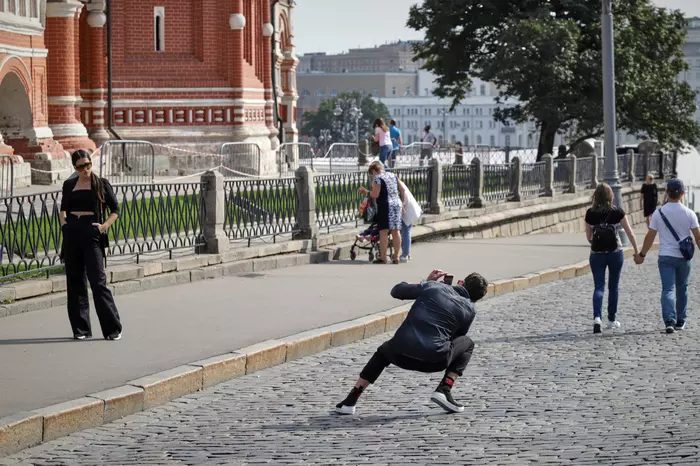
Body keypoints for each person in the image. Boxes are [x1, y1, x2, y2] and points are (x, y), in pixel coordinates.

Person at [335, 270, 489, 415]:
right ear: (476, 299)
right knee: (467, 343)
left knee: (383, 352)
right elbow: (457, 337)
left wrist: (427, 282)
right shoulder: (470, 310)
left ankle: (351, 400)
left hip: (399, 354)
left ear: (461, 282)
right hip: (434, 361)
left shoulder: (433, 287)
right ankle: (444, 389)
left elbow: (397, 291)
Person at [60, 149, 123, 341]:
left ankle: (113, 329)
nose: (86, 169)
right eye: (81, 167)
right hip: (73, 232)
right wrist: (65, 226)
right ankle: (81, 329)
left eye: (88, 165)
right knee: (75, 282)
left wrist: (103, 227)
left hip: (92, 232)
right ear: (75, 168)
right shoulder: (69, 184)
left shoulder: (101, 183)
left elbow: (115, 210)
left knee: (98, 282)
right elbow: (63, 209)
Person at [635, 178, 700, 333]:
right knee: (682, 288)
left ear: (667, 193)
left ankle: (669, 321)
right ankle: (681, 320)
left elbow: (650, 236)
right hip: (684, 257)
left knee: (668, 289)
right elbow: (698, 237)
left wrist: (642, 254)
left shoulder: (659, 213)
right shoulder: (689, 213)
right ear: (683, 194)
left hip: (665, 257)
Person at [585, 183, 640, 334]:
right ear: (610, 196)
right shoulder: (617, 212)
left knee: (598, 287)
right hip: (615, 253)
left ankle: (597, 318)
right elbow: (630, 233)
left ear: (595, 196)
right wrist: (637, 252)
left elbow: (589, 236)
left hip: (596, 254)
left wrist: (597, 243)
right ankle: (611, 319)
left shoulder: (590, 213)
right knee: (613, 287)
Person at [359, 161, 405, 264]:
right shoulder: (393, 175)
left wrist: (365, 191)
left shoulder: (377, 178)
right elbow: (402, 190)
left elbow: (375, 194)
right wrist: (403, 204)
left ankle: (383, 257)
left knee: (383, 231)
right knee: (396, 231)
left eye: (371, 173)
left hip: (386, 205)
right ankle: (396, 257)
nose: (371, 176)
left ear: (374, 171)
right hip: (397, 204)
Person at [398, 179, 422, 263]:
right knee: (406, 231)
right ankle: (407, 253)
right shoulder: (397, 181)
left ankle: (405, 254)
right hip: (409, 209)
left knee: (405, 231)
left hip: (407, 210)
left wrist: (402, 205)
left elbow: (403, 193)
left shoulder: (396, 181)